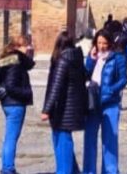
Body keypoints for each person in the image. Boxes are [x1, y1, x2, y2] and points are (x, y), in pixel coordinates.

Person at [41, 30, 87, 174]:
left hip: (62, 109)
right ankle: (73, 171)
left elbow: (56, 87)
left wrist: (46, 110)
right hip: (73, 107)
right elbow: (85, 76)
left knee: (62, 142)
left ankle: (64, 171)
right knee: (63, 140)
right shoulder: (77, 58)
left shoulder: (62, 60)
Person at [83, 29, 127, 174]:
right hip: (93, 103)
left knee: (109, 142)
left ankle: (110, 171)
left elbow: (124, 79)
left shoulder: (118, 58)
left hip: (110, 104)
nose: (102, 46)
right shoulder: (93, 57)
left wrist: (111, 90)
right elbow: (85, 74)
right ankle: (89, 171)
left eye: (104, 43)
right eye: (99, 42)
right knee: (89, 140)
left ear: (109, 43)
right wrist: (91, 59)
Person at [0, 34, 34, 174]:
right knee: (11, 137)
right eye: (25, 45)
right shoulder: (15, 63)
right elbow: (11, 86)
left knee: (10, 136)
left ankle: (7, 167)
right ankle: (8, 168)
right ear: (17, 47)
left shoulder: (7, 61)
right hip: (15, 103)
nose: (28, 48)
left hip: (8, 103)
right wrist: (27, 93)